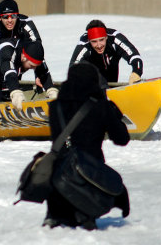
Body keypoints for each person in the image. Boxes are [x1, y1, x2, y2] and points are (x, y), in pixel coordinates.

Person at [45, 63, 130, 230]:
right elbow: (122, 139)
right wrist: (115, 115)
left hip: (58, 187)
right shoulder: (100, 107)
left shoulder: (55, 107)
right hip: (89, 183)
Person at [0, 0, 56, 96]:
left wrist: (39, 75)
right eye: (6, 17)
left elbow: (36, 49)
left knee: (33, 53)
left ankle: (51, 90)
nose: (10, 20)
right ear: (0, 18)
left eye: (13, 16)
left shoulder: (25, 24)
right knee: (3, 59)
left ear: (18, 15)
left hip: (19, 58)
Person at [69, 19, 143, 85]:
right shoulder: (84, 44)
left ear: (106, 37)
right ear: (89, 41)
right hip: (93, 86)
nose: (99, 45)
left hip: (112, 83)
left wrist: (136, 72)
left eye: (101, 40)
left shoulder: (114, 38)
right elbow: (73, 68)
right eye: (94, 41)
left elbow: (134, 56)